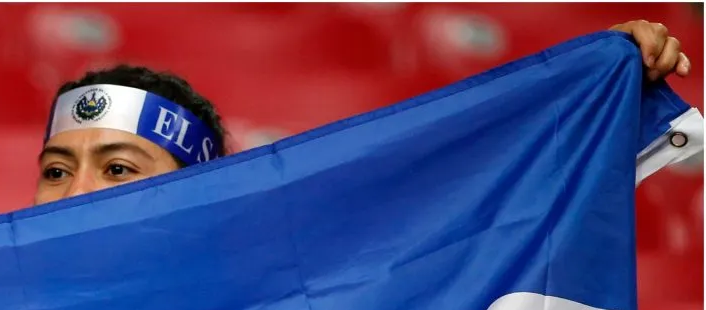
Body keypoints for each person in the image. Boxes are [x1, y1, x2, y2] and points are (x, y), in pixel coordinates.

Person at [35, 20, 693, 206]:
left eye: (119, 168)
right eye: (57, 171)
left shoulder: (264, 306)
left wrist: (597, 92)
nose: (77, 191)